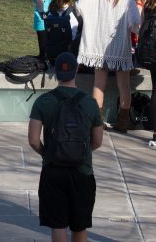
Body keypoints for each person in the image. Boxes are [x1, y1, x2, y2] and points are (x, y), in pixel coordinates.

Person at [27, 51, 103, 242]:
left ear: (56, 73)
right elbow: (98, 141)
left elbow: (33, 140)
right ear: (76, 71)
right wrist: (82, 152)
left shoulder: (43, 102)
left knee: (58, 224)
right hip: (82, 171)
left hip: (53, 170)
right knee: (80, 225)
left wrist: (49, 153)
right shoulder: (90, 103)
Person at [76, 0, 141, 131]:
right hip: (119, 47)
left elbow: (78, 7)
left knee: (99, 85)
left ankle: (97, 123)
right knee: (124, 85)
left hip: (99, 48)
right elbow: (135, 24)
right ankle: (123, 123)